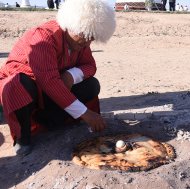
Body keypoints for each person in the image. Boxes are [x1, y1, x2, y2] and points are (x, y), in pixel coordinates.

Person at [0, 0, 116, 156]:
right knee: (19, 86)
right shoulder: (42, 37)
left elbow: (90, 66)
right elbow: (49, 81)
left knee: (91, 85)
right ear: (72, 25)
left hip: (52, 92)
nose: (88, 42)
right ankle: (23, 137)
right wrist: (86, 113)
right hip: (28, 89)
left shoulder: (81, 43)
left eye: (92, 37)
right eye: (85, 35)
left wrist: (71, 75)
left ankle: (52, 120)